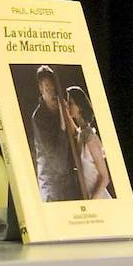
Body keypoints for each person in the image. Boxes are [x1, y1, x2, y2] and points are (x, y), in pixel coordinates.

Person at [29, 65, 81, 202]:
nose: (52, 93)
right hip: (52, 186)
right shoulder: (39, 117)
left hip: (69, 181)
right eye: (47, 88)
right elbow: (57, 160)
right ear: (41, 89)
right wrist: (63, 122)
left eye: (54, 88)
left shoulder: (62, 109)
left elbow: (77, 135)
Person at [64, 85, 110, 199]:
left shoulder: (90, 138)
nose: (69, 106)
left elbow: (105, 177)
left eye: (71, 103)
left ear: (80, 107)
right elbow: (75, 132)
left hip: (98, 199)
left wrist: (92, 203)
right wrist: (65, 111)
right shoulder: (82, 133)